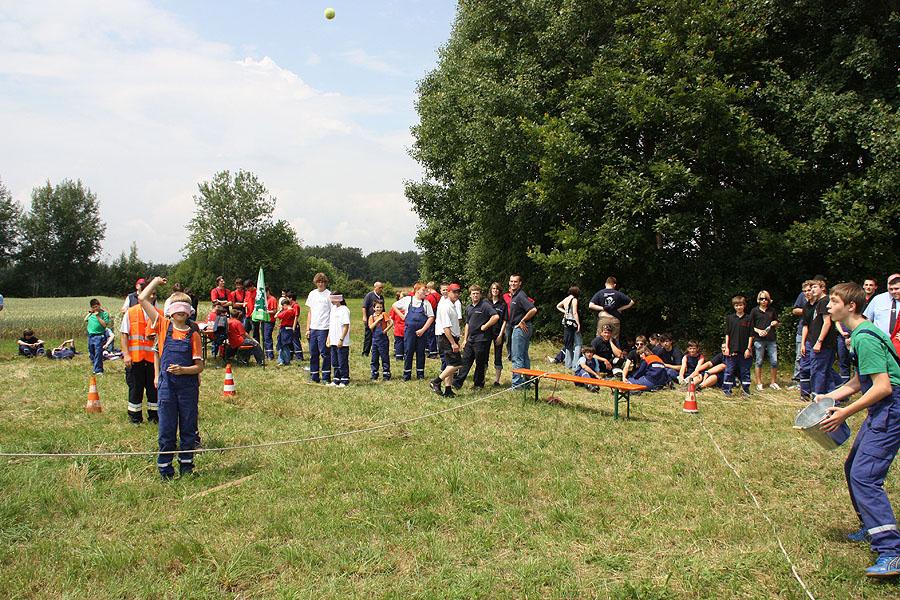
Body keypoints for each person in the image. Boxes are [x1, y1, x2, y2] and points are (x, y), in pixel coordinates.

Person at [819, 282, 900, 577]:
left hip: (891, 408)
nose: (828, 306)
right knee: (853, 465)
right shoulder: (860, 334)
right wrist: (829, 397)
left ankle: (891, 551)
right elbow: (858, 382)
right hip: (884, 407)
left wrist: (844, 413)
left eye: (833, 301)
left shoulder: (864, 338)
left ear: (850, 306)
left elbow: (882, 387)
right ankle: (871, 524)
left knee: (865, 476)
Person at [138, 277, 203, 480]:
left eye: (184, 307)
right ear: (170, 311)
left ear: (189, 311)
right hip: (167, 388)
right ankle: (165, 470)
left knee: (188, 429)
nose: (180, 311)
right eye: (176, 307)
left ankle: (186, 468)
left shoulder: (193, 335)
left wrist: (184, 370)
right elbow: (142, 298)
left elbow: (200, 366)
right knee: (166, 430)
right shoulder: (162, 326)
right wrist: (156, 282)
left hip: (188, 388)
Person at [121, 284, 162, 424]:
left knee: (154, 391)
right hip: (135, 359)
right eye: (150, 293)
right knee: (135, 390)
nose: (152, 296)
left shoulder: (159, 314)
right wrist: (126, 354)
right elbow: (124, 334)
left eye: (154, 293)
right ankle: (135, 418)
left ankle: (154, 417)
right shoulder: (131, 312)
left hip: (153, 361)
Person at [452, 285, 500, 390]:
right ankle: (457, 383)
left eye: (477, 293)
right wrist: (465, 339)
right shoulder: (469, 307)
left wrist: (485, 326)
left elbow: (496, 316)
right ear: (470, 295)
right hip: (471, 339)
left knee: (480, 363)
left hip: (482, 339)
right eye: (473, 293)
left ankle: (478, 384)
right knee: (465, 361)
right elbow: (467, 324)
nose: (475, 295)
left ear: (480, 294)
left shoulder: (485, 305)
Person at [804, 277, 839, 396]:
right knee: (826, 371)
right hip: (819, 343)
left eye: (815, 287)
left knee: (818, 371)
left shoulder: (825, 301)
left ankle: (817, 397)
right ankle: (836, 397)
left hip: (823, 345)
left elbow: (827, 322)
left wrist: (819, 341)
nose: (812, 290)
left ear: (823, 288)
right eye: (811, 287)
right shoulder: (820, 302)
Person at [394, 283, 435, 381]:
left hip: (422, 331)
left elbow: (431, 317)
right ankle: (406, 375)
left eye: (426, 291)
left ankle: (420, 374)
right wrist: (402, 316)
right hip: (409, 331)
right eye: (423, 291)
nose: (426, 293)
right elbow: (394, 306)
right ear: (417, 291)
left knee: (421, 351)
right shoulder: (408, 300)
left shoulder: (426, 303)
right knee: (408, 351)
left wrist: (423, 330)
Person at [431, 283, 464, 397]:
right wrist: (453, 343)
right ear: (448, 292)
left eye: (458, 292)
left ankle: (448, 390)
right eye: (454, 292)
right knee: (458, 363)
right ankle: (436, 381)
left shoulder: (453, 305)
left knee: (450, 364)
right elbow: (446, 327)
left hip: (451, 337)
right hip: (446, 338)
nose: (456, 294)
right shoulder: (445, 306)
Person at [508, 274, 538, 388]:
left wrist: (522, 320)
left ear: (520, 283)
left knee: (517, 357)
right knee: (524, 356)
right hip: (523, 327)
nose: (513, 283)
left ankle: (516, 385)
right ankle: (526, 383)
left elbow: (533, 309)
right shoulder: (514, 296)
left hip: (520, 328)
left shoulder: (520, 296)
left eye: (515, 281)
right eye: (511, 281)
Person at [723, 295, 754, 396]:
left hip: (744, 350)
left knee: (745, 371)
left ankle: (746, 390)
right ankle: (727, 389)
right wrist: (727, 347)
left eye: (740, 305)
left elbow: (751, 335)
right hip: (732, 349)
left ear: (744, 305)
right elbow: (727, 334)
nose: (738, 307)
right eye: (736, 305)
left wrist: (748, 349)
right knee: (729, 370)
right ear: (734, 306)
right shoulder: (730, 318)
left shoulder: (749, 318)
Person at [305, 273, 333, 384]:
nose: (320, 284)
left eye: (322, 282)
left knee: (325, 353)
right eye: (318, 282)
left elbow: (332, 313)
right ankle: (314, 376)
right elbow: (310, 312)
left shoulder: (329, 295)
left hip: (324, 328)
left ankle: (326, 377)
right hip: (313, 328)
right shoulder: (312, 294)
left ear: (325, 283)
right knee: (313, 353)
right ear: (316, 283)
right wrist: (308, 328)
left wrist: (330, 331)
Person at [750, 290, 780, 391]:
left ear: (769, 300)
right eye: (762, 299)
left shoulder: (772, 310)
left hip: (771, 339)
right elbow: (751, 326)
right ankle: (759, 383)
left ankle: (773, 382)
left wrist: (775, 323)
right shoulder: (754, 311)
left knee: (774, 361)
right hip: (759, 339)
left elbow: (777, 323)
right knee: (759, 361)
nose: (764, 301)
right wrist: (758, 331)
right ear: (759, 300)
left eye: (766, 299)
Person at [588, 276, 634, 341]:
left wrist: (603, 308)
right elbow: (631, 302)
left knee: (599, 340)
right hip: (614, 319)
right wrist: (620, 309)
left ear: (605, 284)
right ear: (614, 285)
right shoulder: (618, 294)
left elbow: (591, 305)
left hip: (603, 318)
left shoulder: (600, 293)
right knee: (614, 340)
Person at [864, 274, 900, 353]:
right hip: (878, 343)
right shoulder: (878, 299)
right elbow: (867, 320)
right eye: (891, 288)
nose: (893, 291)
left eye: (896, 288)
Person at [790, 282, 812, 389]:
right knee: (799, 356)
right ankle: (797, 380)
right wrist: (806, 311)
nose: (807, 293)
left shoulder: (820, 301)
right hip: (801, 330)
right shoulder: (802, 297)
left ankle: (810, 380)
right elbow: (794, 310)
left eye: (809, 290)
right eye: (805, 291)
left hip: (814, 333)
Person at [554, 287, 582, 369]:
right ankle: (575, 365)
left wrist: (565, 312)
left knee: (568, 344)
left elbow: (558, 306)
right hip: (573, 322)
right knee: (578, 344)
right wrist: (578, 323)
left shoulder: (566, 299)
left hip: (566, 322)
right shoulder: (574, 300)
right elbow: (575, 312)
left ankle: (568, 364)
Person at [327, 292, 351, 387]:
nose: (331, 301)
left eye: (332, 299)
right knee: (335, 361)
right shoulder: (333, 309)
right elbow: (331, 325)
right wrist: (328, 338)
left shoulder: (344, 310)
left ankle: (344, 379)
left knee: (342, 361)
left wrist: (341, 339)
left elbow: (346, 325)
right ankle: (336, 379)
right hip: (333, 340)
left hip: (342, 341)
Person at [488, 282, 508, 387]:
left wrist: (501, 335)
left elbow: (505, 320)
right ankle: (481, 378)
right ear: (491, 290)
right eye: (493, 288)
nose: (495, 290)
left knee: (498, 356)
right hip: (487, 333)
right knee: (483, 355)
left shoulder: (503, 304)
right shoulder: (486, 303)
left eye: (497, 289)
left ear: (499, 291)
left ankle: (497, 380)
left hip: (498, 333)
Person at [368, 300, 393, 380]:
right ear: (374, 308)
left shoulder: (384, 314)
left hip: (383, 339)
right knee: (374, 357)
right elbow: (371, 327)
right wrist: (378, 320)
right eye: (377, 307)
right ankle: (374, 373)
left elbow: (391, 323)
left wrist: (386, 329)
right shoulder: (371, 317)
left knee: (384, 356)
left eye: (381, 307)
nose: (379, 309)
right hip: (375, 339)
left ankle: (386, 373)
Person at [84, 298, 110, 374]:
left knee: (98, 353)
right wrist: (90, 313)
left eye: (96, 306)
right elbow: (85, 320)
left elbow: (104, 325)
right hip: (90, 336)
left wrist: (98, 316)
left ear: (99, 305)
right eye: (93, 307)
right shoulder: (91, 314)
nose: (95, 308)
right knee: (91, 352)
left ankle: (98, 370)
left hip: (99, 336)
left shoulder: (104, 314)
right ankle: (96, 366)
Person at [361, 282, 385, 357]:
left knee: (379, 335)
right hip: (370, 319)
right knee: (368, 336)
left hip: (379, 320)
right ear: (375, 287)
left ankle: (378, 351)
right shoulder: (369, 295)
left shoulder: (381, 297)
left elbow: (383, 308)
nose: (381, 289)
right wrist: (364, 316)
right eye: (380, 288)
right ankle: (365, 352)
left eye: (382, 288)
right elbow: (364, 307)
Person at [275, 297, 297, 366]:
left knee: (284, 345)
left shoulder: (288, 311)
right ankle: (282, 360)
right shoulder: (292, 310)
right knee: (283, 345)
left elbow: (276, 316)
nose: (283, 308)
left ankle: (286, 360)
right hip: (287, 329)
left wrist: (280, 310)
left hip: (285, 330)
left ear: (285, 305)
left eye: (283, 306)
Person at [389, 291, 406, 360]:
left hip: (404, 328)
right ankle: (400, 355)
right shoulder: (395, 307)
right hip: (400, 328)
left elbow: (391, 318)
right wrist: (393, 325)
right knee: (400, 342)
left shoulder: (407, 306)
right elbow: (391, 318)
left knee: (403, 342)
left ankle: (402, 355)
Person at [263, 286, 278, 360]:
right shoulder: (264, 299)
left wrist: (267, 312)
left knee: (267, 337)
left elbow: (275, 311)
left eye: (265, 293)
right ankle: (266, 353)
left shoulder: (272, 299)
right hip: (264, 320)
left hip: (270, 321)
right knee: (264, 338)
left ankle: (270, 355)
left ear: (268, 291)